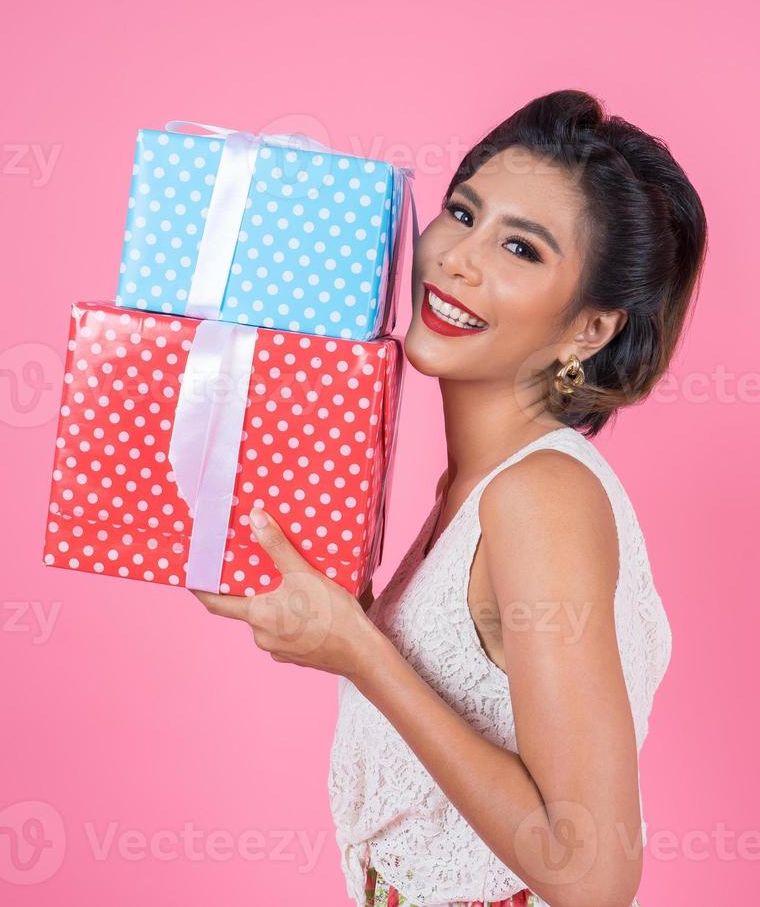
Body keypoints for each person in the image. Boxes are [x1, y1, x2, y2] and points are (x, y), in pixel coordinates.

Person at [193, 88, 708, 907]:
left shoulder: (541, 495)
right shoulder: (471, 488)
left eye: (522, 249)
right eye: (464, 214)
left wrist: (358, 650)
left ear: (590, 329)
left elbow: (595, 875)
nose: (460, 260)